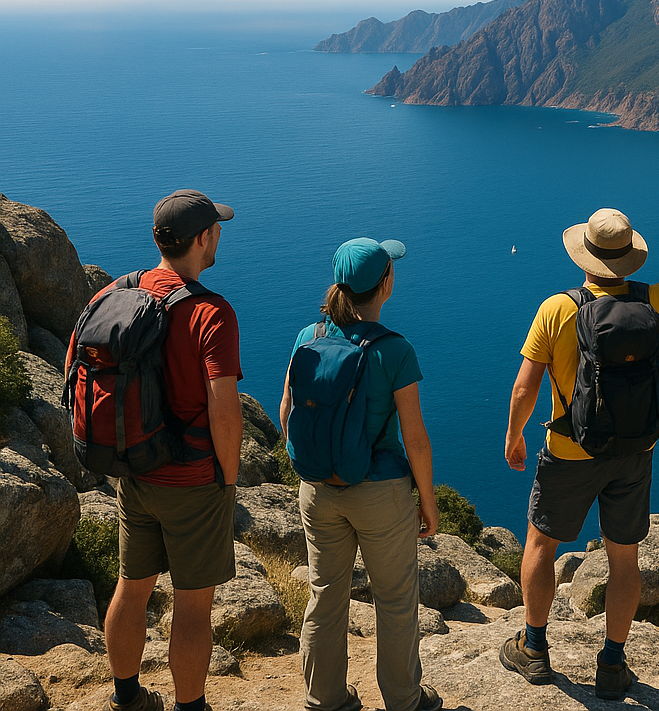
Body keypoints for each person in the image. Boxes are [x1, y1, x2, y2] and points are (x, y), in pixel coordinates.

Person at [501, 186, 659, 700]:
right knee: (624, 559)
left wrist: (514, 437)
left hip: (569, 450)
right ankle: (613, 664)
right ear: (628, 256)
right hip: (634, 453)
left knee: (542, 543)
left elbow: (525, 387)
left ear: (585, 253)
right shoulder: (653, 301)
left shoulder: (557, 309)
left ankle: (534, 648)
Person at [77, 189, 243, 711]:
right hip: (193, 481)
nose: (219, 234)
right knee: (193, 607)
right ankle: (190, 706)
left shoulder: (114, 292)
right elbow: (223, 410)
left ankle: (126, 697)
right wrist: (228, 479)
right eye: (216, 228)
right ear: (203, 238)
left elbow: (76, 368)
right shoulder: (211, 313)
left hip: (133, 470)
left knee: (131, 588)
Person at [281, 237, 442, 711]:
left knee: (325, 595)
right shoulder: (394, 350)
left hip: (317, 490)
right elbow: (415, 439)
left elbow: (288, 411)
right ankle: (404, 699)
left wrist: (315, 468)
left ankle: (324, 697)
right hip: (380, 494)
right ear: (385, 284)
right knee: (395, 601)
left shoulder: (309, 336)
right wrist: (427, 503)